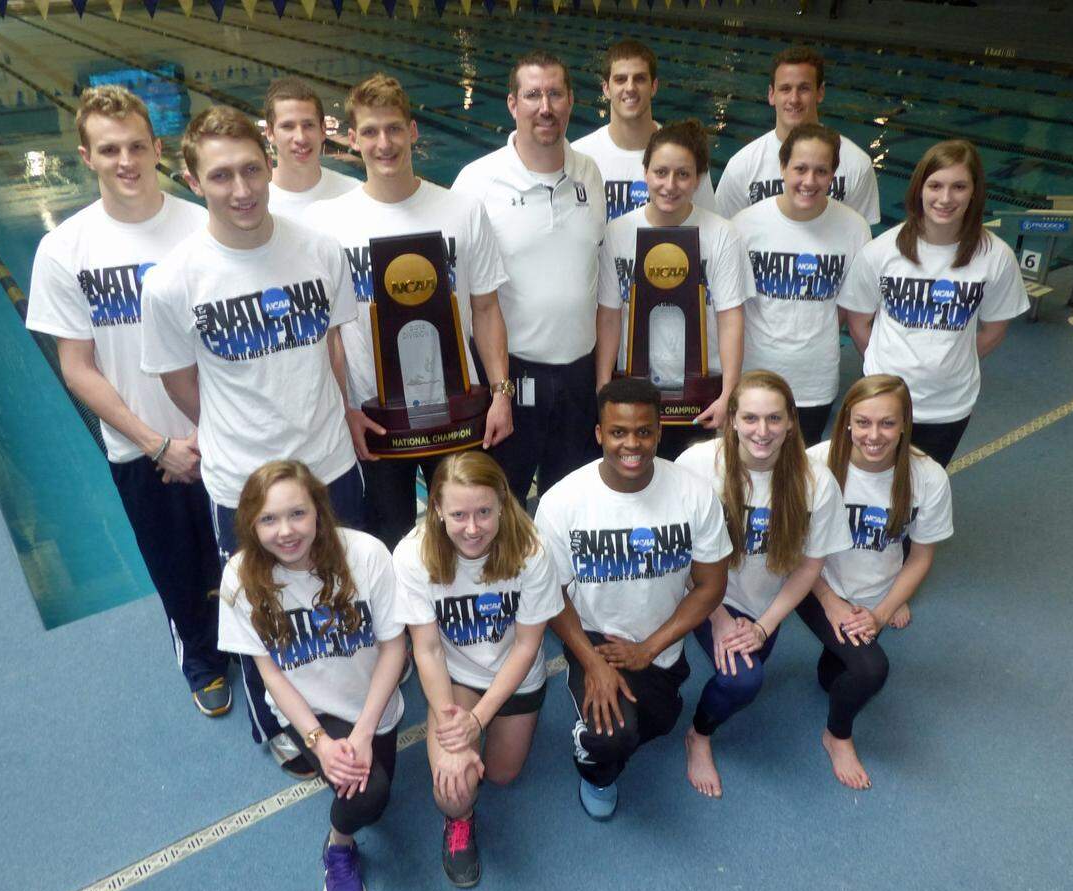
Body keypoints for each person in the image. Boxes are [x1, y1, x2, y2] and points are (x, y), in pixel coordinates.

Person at [141, 105, 364, 778]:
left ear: (269, 162)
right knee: (264, 609)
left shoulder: (320, 250)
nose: (239, 189)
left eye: (249, 169)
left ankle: (351, 694)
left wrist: (340, 412)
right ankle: (276, 715)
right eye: (219, 175)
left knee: (340, 591)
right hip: (242, 479)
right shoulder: (174, 281)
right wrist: (244, 425)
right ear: (189, 179)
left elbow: (334, 346)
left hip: (330, 464)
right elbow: (182, 383)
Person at [26, 86, 229, 716]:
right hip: (142, 447)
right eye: (109, 149)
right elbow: (77, 368)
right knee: (177, 568)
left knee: (251, 554)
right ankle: (199, 653)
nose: (126, 160)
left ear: (158, 148)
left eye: (137, 145)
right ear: (86, 155)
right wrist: (156, 443)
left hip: (224, 434)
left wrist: (216, 429)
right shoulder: (65, 250)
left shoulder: (203, 225)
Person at [305, 73, 513, 550]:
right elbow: (329, 334)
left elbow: (486, 308)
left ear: (413, 131)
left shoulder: (461, 209)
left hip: (456, 410)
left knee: (469, 531)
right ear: (352, 139)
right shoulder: (328, 223)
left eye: (394, 128)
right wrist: (346, 410)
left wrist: (501, 393)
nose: (385, 143)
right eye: (371, 132)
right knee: (389, 542)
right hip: (375, 418)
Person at [218, 461, 406, 891]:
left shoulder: (365, 555)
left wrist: (363, 733)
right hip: (311, 711)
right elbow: (271, 674)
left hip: (371, 703)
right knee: (366, 796)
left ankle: (343, 758)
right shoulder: (242, 576)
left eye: (297, 514)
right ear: (250, 524)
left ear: (319, 511)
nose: (286, 531)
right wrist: (320, 743)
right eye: (268, 519)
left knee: (376, 797)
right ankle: (337, 848)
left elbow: (393, 648)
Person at [534, 378, 729, 819]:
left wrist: (649, 648)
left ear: (659, 432)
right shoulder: (562, 502)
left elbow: (711, 585)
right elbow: (552, 595)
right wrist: (591, 661)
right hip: (596, 637)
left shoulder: (693, 492)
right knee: (613, 739)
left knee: (659, 725)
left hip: (658, 641)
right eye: (618, 432)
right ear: (600, 433)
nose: (632, 444)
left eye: (643, 431)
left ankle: (640, 702)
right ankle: (592, 762)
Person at [675, 370, 851, 799]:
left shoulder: (815, 481)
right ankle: (698, 736)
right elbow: (676, 552)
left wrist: (763, 626)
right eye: (750, 418)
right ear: (731, 418)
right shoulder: (697, 466)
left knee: (751, 661)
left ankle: (741, 639)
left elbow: (810, 567)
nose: (762, 431)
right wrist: (716, 618)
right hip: (699, 594)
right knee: (742, 681)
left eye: (774, 419)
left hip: (759, 606)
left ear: (791, 422)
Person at [393, 451, 561, 887]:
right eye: (459, 514)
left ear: (504, 504)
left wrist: (479, 722)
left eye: (484, 512)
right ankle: (460, 822)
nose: (472, 528)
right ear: (437, 510)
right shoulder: (413, 556)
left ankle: (488, 732)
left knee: (502, 775)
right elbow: (427, 648)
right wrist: (454, 722)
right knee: (456, 785)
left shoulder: (532, 550)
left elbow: (527, 646)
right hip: (457, 677)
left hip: (514, 673)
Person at [452, 50, 605, 506]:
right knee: (502, 502)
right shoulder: (478, 182)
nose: (546, 106)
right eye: (533, 94)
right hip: (512, 376)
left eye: (555, 94)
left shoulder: (588, 173)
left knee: (571, 504)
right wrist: (493, 389)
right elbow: (467, 298)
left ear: (571, 101)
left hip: (580, 374)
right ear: (512, 103)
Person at [803, 375, 952, 789]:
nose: (873, 435)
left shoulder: (927, 476)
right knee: (870, 670)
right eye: (863, 422)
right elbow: (794, 551)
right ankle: (838, 736)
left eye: (887, 423)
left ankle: (868, 621)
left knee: (833, 677)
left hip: (875, 593)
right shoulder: (814, 464)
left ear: (905, 423)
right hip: (815, 585)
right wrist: (831, 601)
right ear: (847, 421)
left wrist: (882, 612)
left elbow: (921, 556)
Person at [839, 139, 1028, 466]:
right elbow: (858, 322)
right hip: (881, 401)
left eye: (958, 186)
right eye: (935, 185)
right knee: (869, 485)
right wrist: (886, 370)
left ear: (974, 192)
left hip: (948, 407)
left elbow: (994, 329)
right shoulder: (882, 251)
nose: (945, 198)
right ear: (919, 189)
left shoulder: (995, 257)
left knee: (922, 492)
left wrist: (950, 364)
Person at [595, 119, 751, 460]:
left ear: (697, 179)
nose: (670, 184)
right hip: (634, 389)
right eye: (661, 172)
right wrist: (603, 385)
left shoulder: (722, 234)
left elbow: (730, 317)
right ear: (646, 172)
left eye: (683, 174)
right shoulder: (618, 232)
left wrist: (729, 395)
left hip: (701, 393)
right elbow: (609, 314)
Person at [732, 123, 872, 445]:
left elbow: (848, 307)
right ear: (782, 167)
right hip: (754, 375)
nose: (809, 181)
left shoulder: (854, 228)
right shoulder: (745, 225)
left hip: (815, 380)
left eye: (821, 171)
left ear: (833, 173)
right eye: (800, 169)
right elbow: (733, 308)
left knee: (799, 475)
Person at [714, 46, 880, 225]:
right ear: (771, 95)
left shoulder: (856, 163)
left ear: (820, 92)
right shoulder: (741, 167)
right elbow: (722, 236)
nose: (794, 99)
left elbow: (862, 241)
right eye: (785, 89)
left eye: (804, 88)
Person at [572, 39, 714, 221]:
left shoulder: (685, 154)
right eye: (620, 79)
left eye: (639, 78)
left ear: (653, 86)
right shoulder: (579, 156)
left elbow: (709, 226)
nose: (630, 88)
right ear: (606, 89)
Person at [263, 77, 358, 220]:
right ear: (270, 133)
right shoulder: (254, 204)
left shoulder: (354, 194)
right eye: (288, 127)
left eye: (308, 125)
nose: (301, 138)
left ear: (323, 130)